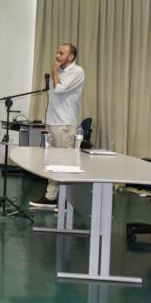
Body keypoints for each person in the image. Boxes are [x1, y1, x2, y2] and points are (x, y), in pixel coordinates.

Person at [30, 42, 85, 209]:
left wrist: (54, 71)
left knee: (65, 163)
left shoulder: (76, 71)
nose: (57, 56)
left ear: (71, 57)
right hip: (54, 123)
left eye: (61, 53)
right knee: (54, 162)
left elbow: (60, 90)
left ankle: (67, 202)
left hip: (64, 125)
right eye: (57, 52)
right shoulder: (61, 72)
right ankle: (51, 198)